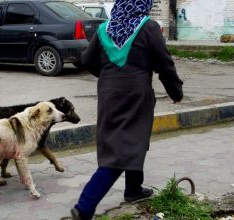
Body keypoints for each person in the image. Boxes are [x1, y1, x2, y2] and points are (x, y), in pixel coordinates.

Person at [71, 0, 183, 219]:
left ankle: (133, 190)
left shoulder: (105, 28)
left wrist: (109, 76)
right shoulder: (148, 27)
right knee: (122, 150)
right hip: (136, 96)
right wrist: (175, 92)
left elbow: (87, 60)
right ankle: (84, 207)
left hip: (108, 95)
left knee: (131, 141)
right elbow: (164, 64)